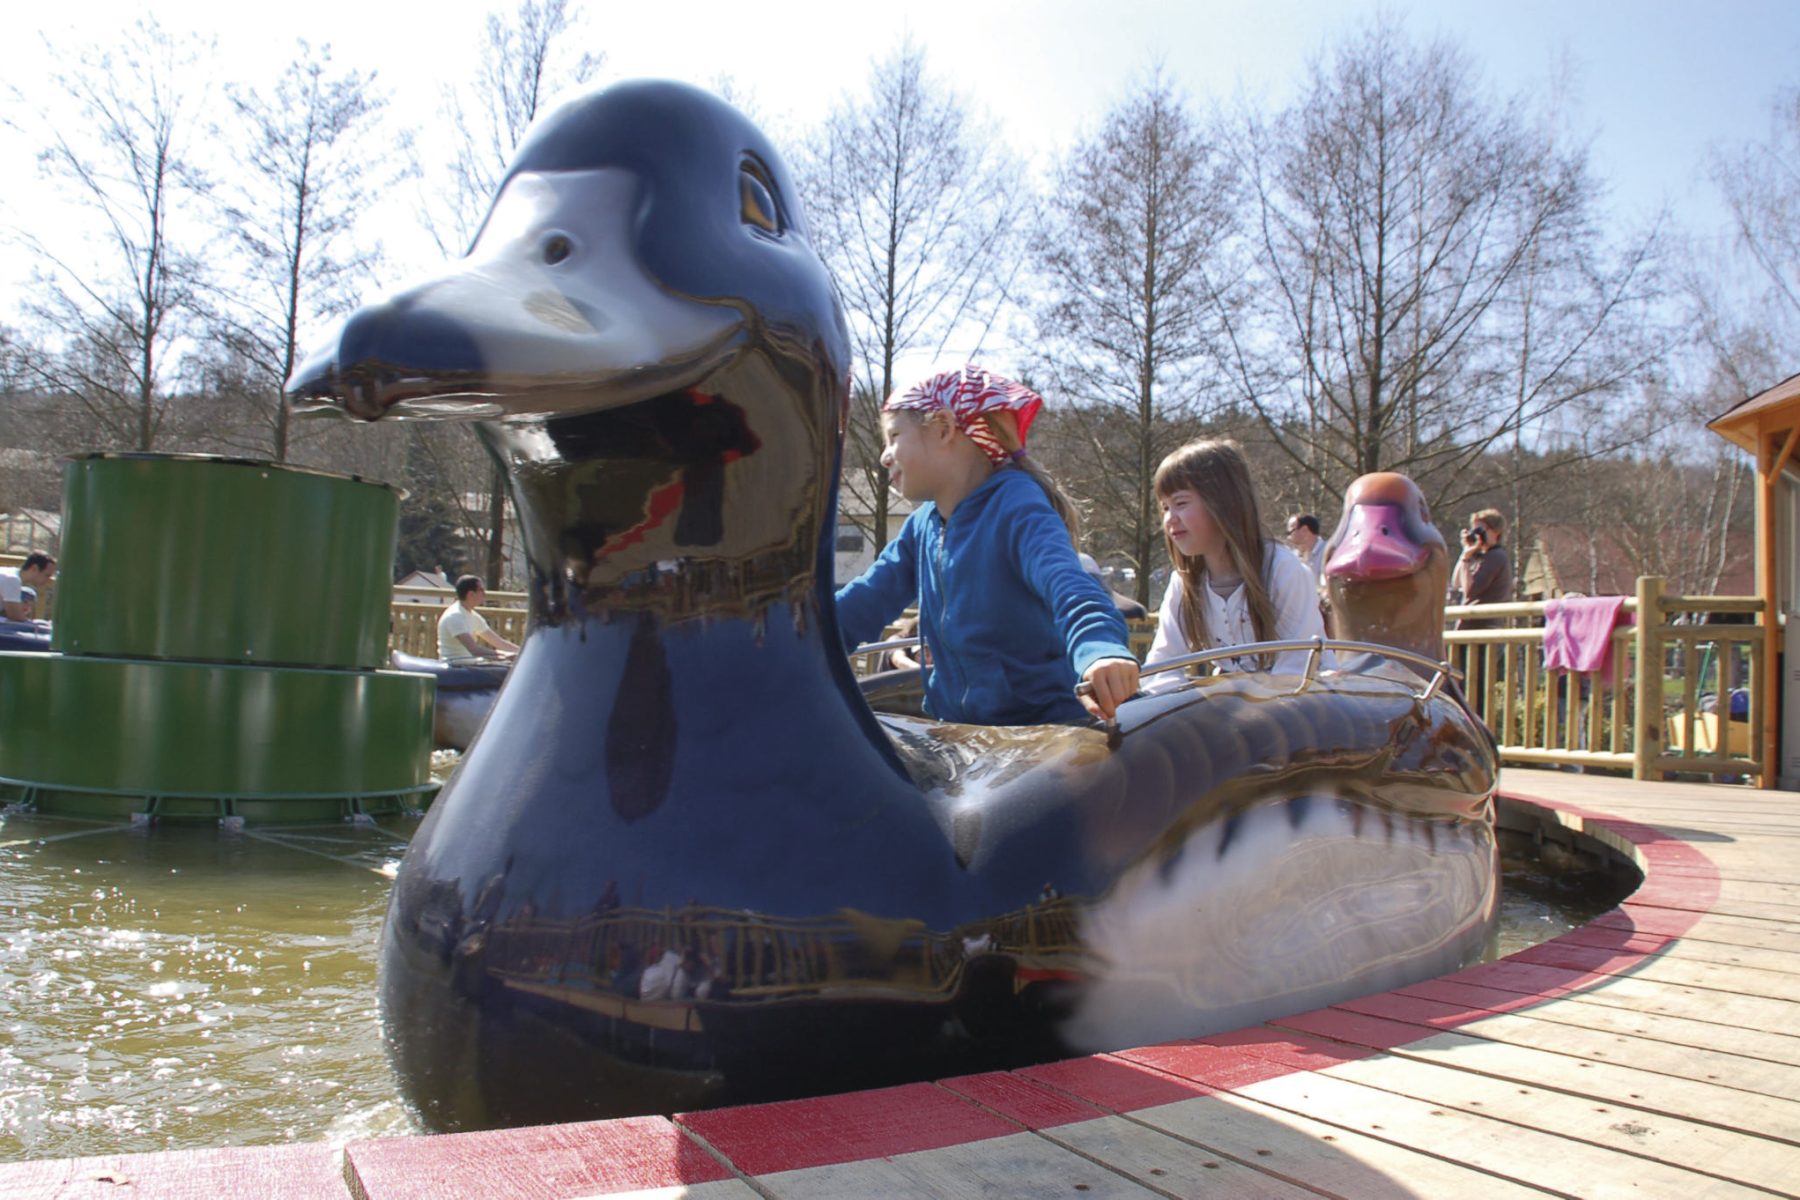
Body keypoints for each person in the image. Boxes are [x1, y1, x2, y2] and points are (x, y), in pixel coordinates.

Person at [835, 365, 1139, 724]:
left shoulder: (1015, 505)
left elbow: (1070, 585)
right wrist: (800, 639)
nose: (885, 456)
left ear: (945, 429)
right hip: (962, 729)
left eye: (894, 436)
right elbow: (867, 600)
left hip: (1043, 729)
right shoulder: (922, 525)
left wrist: (1100, 649)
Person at [1145, 439, 1326, 689]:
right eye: (1165, 507)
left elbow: (1295, 671)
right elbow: (1162, 666)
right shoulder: (1185, 581)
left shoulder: (1283, 570)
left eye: (1181, 503)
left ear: (1222, 502)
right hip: (1236, 708)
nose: (1169, 519)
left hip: (1312, 712)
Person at [437, 575, 520, 665]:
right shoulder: (454, 616)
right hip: (455, 666)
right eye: (481, 590)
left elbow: (499, 643)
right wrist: (506, 655)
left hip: (470, 666)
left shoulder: (472, 616)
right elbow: (475, 650)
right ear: (471, 594)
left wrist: (523, 653)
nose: (484, 594)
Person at [1451, 509, 1512, 627]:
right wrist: (1465, 553)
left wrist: (1466, 559)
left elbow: (1470, 590)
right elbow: (1457, 583)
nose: (1476, 535)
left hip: (1483, 631)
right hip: (1470, 628)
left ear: (1496, 531)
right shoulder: (1480, 557)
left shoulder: (1496, 556)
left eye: (1480, 530)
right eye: (1474, 530)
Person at [0, 552, 56, 622]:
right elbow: (15, 616)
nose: (49, 581)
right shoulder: (12, 579)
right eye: (47, 575)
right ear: (34, 568)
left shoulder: (9, 573)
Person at [1284, 514, 1326, 586]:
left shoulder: (1329, 553)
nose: (1288, 537)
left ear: (1304, 530)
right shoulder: (1293, 557)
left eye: (1290, 532)